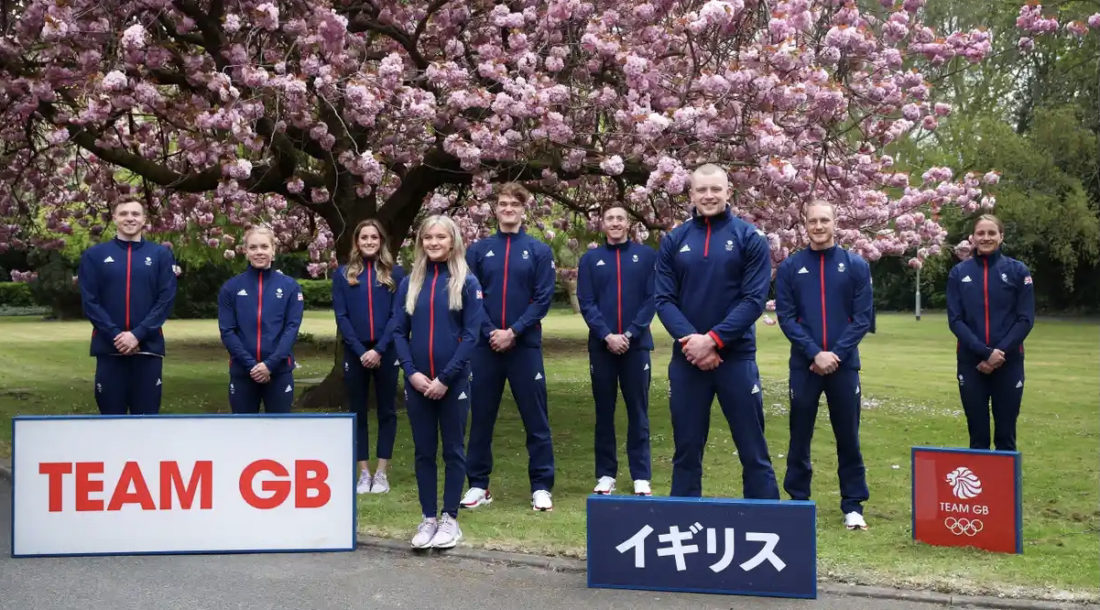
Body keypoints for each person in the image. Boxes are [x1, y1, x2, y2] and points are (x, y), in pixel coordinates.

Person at [654, 163, 779, 499]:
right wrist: (692, 344)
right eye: (701, 190)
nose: (709, 196)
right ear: (691, 194)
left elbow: (753, 300)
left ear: (728, 192)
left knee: (753, 450)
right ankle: (682, 526)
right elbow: (663, 299)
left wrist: (713, 340)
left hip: (735, 360)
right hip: (687, 362)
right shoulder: (674, 240)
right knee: (686, 451)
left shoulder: (749, 238)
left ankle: (767, 525)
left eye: (716, 189)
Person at [774, 200, 873, 531]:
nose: (818, 226)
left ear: (835, 222)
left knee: (848, 436)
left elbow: (861, 320)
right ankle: (799, 500)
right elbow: (787, 318)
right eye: (812, 221)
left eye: (824, 220)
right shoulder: (790, 267)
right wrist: (814, 353)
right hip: (805, 367)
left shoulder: (856, 265)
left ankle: (853, 505)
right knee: (799, 435)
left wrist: (835, 355)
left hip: (844, 367)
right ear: (805, 224)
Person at [461, 183, 557, 511]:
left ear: (523, 209)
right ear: (496, 209)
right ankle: (477, 484)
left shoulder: (539, 250)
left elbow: (542, 298)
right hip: (486, 347)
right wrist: (491, 331)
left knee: (536, 419)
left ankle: (541, 485)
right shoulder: (478, 250)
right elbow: (470, 295)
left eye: (514, 204)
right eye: (502, 203)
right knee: (482, 417)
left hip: (524, 346)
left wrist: (513, 331)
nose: (508, 209)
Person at [392, 215, 483, 549]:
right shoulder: (410, 283)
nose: (433, 243)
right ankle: (428, 518)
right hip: (417, 382)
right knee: (423, 451)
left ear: (452, 241)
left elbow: (472, 335)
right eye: (428, 237)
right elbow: (399, 331)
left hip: (453, 382)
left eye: (440, 237)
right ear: (421, 242)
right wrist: (412, 372)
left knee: (454, 450)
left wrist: (445, 378)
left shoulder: (467, 283)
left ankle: (450, 519)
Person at [576, 205, 657, 496]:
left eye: (620, 218)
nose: (615, 223)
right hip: (602, 348)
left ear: (628, 224)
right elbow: (586, 302)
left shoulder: (647, 256)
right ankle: (606, 474)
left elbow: (652, 298)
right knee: (604, 412)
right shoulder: (590, 259)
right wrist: (607, 335)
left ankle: (641, 475)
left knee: (639, 412)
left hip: (637, 348)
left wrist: (631, 333)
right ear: (603, 224)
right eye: (610, 219)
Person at [77, 199, 177, 414]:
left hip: (148, 350)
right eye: (123, 213)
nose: (129, 218)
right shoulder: (94, 256)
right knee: (111, 421)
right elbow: (90, 301)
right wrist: (117, 335)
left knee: (146, 421)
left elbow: (165, 299)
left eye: (135, 213)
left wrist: (138, 334)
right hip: (109, 349)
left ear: (144, 219)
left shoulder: (160, 255)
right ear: (114, 218)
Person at [947, 214, 1034, 451]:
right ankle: (982, 489)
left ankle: (1005, 489)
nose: (986, 238)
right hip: (971, 363)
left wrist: (999, 353)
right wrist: (984, 353)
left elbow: (1025, 319)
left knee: (1005, 436)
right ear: (972, 238)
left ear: (1001, 237)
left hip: (1009, 363)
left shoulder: (1018, 271)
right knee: (978, 437)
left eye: (991, 233)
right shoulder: (958, 273)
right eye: (981, 233)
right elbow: (955, 320)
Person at [332, 219, 406, 495]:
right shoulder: (343, 275)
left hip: (386, 350)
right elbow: (342, 316)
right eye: (364, 237)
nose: (369, 242)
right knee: (358, 412)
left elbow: (397, 315)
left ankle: (381, 472)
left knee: (387, 410)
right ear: (357, 241)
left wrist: (379, 349)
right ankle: (363, 472)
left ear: (381, 241)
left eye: (374, 237)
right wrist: (362, 351)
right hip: (356, 351)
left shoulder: (395, 274)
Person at [217, 226, 304, 414]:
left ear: (273, 250)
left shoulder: (290, 287)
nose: (259, 252)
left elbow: (291, 329)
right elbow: (227, 331)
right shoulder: (231, 288)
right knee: (244, 434)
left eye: (264, 247)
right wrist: (252, 366)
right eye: (253, 247)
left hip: (279, 372)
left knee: (279, 433)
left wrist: (269, 365)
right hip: (243, 372)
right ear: (246, 251)